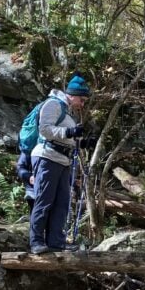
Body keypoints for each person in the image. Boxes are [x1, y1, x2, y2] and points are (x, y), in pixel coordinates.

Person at [29, 72, 91, 254]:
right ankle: (36, 242)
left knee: (62, 203)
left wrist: (83, 143)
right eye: (82, 99)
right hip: (47, 157)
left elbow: (66, 138)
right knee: (44, 200)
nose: (82, 104)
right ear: (72, 95)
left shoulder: (66, 112)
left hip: (62, 161)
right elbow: (45, 129)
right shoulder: (53, 104)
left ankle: (56, 242)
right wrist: (69, 132)